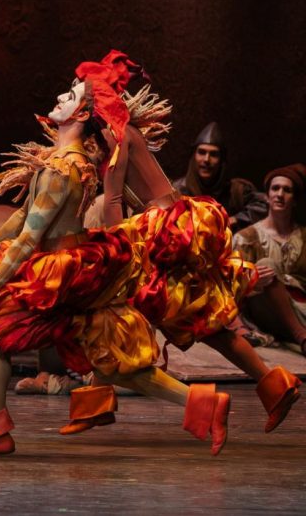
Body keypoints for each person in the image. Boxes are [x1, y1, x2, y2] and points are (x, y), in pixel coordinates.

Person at [0, 63, 233, 457]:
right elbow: (24, 217)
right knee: (114, 360)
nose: (58, 98)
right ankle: (205, 404)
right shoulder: (66, 162)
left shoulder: (60, 170)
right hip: (77, 267)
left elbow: (30, 238)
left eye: (68, 97)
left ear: (82, 115)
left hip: (61, 274)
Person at [71, 53, 300, 435]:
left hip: (163, 233)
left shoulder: (115, 134)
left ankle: (96, 404)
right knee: (188, 318)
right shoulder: (116, 132)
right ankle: (275, 387)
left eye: (76, 91)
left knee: (121, 308)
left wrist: (117, 254)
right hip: (166, 226)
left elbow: (112, 201)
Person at [234, 165, 306, 354]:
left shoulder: (304, 237)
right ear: (267, 196)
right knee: (267, 265)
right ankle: (301, 336)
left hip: (301, 307)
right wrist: (252, 281)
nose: (280, 194)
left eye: (287, 190)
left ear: (295, 199)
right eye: (275, 189)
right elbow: (230, 287)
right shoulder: (246, 238)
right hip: (265, 310)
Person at [172, 122, 266, 231]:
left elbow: (265, 205)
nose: (206, 159)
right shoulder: (177, 190)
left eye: (213, 154)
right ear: (193, 156)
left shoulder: (237, 190)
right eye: (202, 152)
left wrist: (235, 219)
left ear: (221, 160)